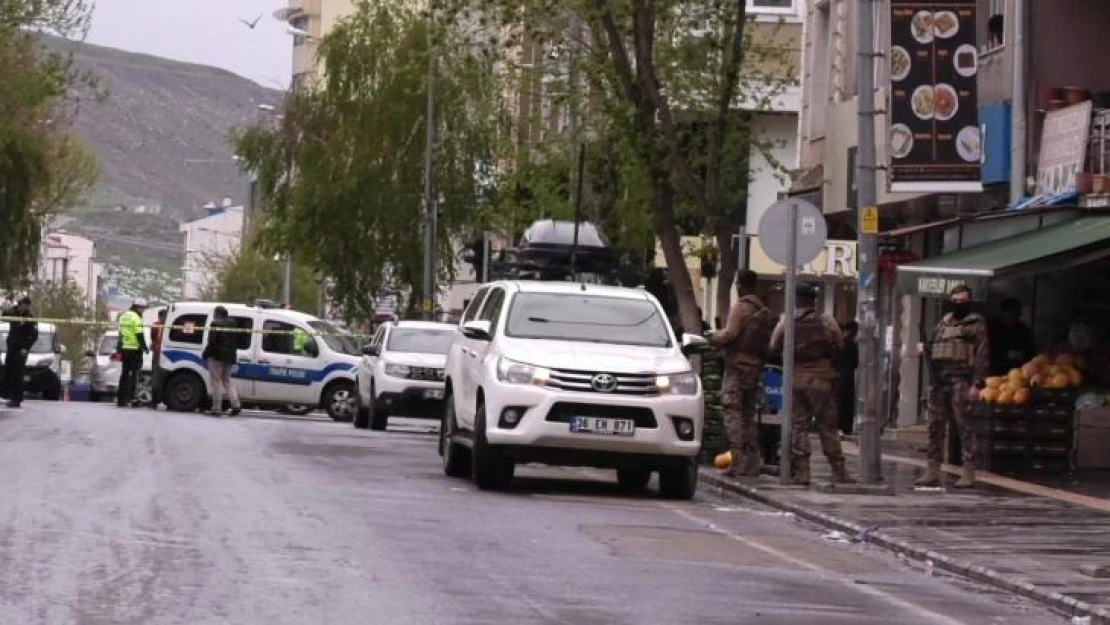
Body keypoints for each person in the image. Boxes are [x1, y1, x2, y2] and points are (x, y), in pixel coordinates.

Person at [770, 283, 853, 486]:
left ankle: (803, 473)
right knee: (828, 426)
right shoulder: (826, 320)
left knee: (799, 427)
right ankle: (839, 471)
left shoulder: (786, 321)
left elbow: (773, 346)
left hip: (796, 379)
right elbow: (840, 345)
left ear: (796, 299)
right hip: (822, 380)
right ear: (814, 301)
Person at [916, 284, 989, 488]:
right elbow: (936, 346)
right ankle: (932, 469)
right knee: (934, 426)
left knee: (965, 427)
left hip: (961, 380)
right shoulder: (944, 322)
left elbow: (982, 355)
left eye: (962, 301)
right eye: (955, 301)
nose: (958, 305)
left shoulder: (976, 323)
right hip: (939, 381)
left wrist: (977, 384)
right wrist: (925, 349)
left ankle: (968, 470)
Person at [709, 270, 775, 477]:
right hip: (755, 369)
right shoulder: (764, 310)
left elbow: (731, 333)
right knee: (748, 415)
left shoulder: (741, 307)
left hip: (737, 367)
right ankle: (752, 462)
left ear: (739, 286)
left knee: (732, 412)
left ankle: (735, 461)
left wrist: (714, 337)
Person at [203, 305, 241, 416]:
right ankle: (236, 405)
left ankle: (216, 408)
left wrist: (205, 354)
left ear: (218, 314)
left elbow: (212, 341)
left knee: (216, 382)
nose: (214, 315)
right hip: (229, 357)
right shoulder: (234, 324)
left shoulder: (215, 324)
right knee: (227, 381)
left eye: (215, 313)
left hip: (216, 357)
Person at [2, 296, 38, 409]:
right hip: (11, 347)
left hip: (21, 350)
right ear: (20, 305)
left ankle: (16, 399)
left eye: (26, 307)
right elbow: (4, 317)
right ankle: (7, 394)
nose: (24, 308)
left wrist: (26, 348)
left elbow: (34, 335)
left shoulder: (29, 317)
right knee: (8, 371)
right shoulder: (13, 313)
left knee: (17, 374)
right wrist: (6, 310)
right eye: (23, 306)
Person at [988, 298, 1035, 375]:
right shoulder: (992, 327)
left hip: (1019, 372)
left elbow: (1032, 351)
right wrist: (1006, 354)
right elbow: (986, 351)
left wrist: (1023, 355)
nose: (1013, 317)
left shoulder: (1023, 329)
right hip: (996, 371)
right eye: (1010, 313)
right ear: (1002, 312)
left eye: (1016, 314)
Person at [116, 298, 149, 408]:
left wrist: (119, 349)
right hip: (134, 349)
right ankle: (132, 398)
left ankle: (121, 399)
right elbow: (139, 334)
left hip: (125, 349)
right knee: (134, 375)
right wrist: (144, 347)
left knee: (124, 374)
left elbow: (120, 334)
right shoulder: (136, 317)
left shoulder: (123, 316)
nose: (143, 311)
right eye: (143, 309)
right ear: (138, 307)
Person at [835, 320, 859, 435]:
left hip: (837, 375)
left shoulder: (835, 345)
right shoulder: (852, 344)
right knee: (847, 402)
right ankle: (846, 428)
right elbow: (855, 363)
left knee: (838, 401)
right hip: (848, 376)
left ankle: (837, 426)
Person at [150, 309, 167, 408]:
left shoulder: (164, 325)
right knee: (157, 375)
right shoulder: (157, 325)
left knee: (160, 375)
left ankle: (158, 398)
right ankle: (155, 399)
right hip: (159, 351)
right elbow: (153, 337)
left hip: (162, 351)